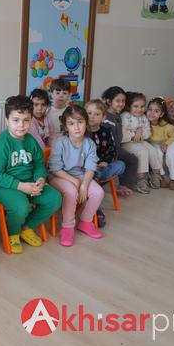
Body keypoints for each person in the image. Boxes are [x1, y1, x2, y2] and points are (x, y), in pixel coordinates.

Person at [0, 95, 61, 254]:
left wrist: (40, 179)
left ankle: (26, 227)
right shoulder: (0, 144)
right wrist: (21, 186)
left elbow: (39, 164)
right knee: (21, 206)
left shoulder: (31, 141)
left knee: (54, 199)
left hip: (29, 182)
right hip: (3, 186)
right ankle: (13, 233)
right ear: (7, 121)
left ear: (31, 120)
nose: (21, 125)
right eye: (15, 120)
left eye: (26, 120)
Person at [49, 105, 104, 246]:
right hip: (59, 176)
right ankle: (67, 227)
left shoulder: (89, 144)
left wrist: (84, 185)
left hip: (79, 175)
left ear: (86, 123)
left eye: (80, 122)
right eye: (71, 123)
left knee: (98, 192)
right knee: (71, 192)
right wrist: (73, 181)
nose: (77, 127)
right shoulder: (59, 142)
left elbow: (90, 167)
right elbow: (55, 168)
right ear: (66, 126)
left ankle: (85, 221)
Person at [85, 99, 125, 226]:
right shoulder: (82, 131)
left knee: (121, 165)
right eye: (89, 113)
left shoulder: (106, 131)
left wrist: (106, 162)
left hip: (103, 166)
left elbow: (112, 149)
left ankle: (97, 178)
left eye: (97, 114)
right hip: (87, 168)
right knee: (94, 173)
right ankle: (96, 210)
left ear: (103, 117)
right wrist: (92, 166)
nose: (92, 116)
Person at [120, 92, 163, 193]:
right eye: (136, 106)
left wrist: (141, 133)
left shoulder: (143, 117)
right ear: (129, 106)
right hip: (127, 143)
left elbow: (148, 132)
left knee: (152, 149)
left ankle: (155, 174)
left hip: (140, 141)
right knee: (142, 152)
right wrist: (135, 133)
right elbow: (122, 135)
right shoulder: (125, 116)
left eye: (142, 106)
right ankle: (140, 178)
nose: (139, 109)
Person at [101, 86, 139, 197]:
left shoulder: (117, 115)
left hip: (116, 147)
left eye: (123, 101)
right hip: (109, 150)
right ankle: (124, 185)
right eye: (118, 101)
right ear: (109, 101)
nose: (121, 104)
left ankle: (124, 185)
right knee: (132, 160)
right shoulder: (105, 117)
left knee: (132, 158)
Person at [146, 98, 174, 189]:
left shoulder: (167, 126)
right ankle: (161, 176)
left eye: (156, 111)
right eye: (150, 109)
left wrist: (166, 143)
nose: (152, 113)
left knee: (172, 154)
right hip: (154, 143)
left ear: (161, 114)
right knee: (156, 153)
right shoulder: (144, 123)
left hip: (169, 141)